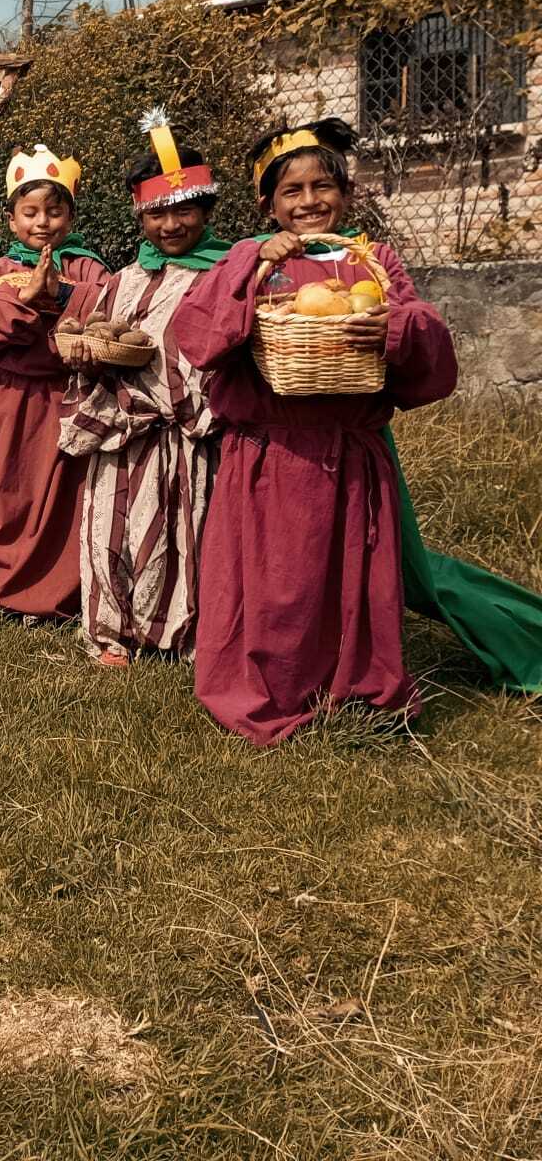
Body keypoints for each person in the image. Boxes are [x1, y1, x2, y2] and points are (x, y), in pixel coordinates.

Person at [171, 118, 459, 745]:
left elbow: (426, 344)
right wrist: (249, 267)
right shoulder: (251, 258)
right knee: (277, 586)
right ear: (267, 205)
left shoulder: (372, 262)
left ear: (347, 193)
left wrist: (394, 331)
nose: (308, 202)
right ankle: (273, 687)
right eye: (291, 192)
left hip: (351, 455)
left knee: (349, 580)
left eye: (321, 186)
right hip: (272, 455)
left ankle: (352, 684)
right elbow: (195, 335)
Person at [59, 129, 229, 665]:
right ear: (139, 215)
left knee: (181, 530)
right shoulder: (124, 280)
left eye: (184, 210)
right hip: (118, 431)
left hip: (184, 436)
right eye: (157, 213)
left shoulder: (226, 276)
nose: (171, 225)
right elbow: (97, 335)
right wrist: (86, 357)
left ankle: (180, 633)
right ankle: (111, 632)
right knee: (108, 529)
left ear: (205, 208)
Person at [0, 146, 109, 617]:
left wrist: (59, 292)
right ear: (11, 220)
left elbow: (110, 307)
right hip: (12, 399)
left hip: (69, 397)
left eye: (54, 211)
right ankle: (3, 578)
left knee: (62, 496)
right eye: (30, 212)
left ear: (71, 214)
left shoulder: (88, 268)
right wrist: (25, 299)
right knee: (11, 488)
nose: (43, 222)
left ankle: (59, 588)